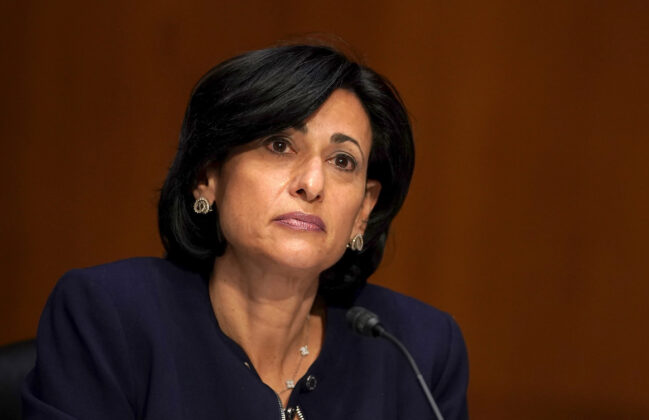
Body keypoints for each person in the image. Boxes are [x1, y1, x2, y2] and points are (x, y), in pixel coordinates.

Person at [22, 44, 469, 419]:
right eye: (279, 145)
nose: (312, 184)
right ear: (208, 176)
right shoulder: (109, 317)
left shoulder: (419, 349)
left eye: (342, 162)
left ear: (364, 209)